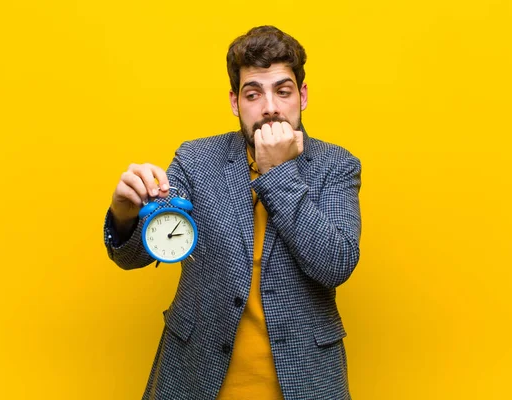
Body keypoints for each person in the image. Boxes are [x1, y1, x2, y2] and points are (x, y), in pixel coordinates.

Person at [104, 25, 362, 400]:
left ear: (302, 96)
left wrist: (278, 172)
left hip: (304, 381)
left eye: (283, 91)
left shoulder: (336, 165)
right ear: (234, 102)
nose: (270, 107)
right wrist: (124, 214)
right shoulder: (195, 160)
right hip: (197, 377)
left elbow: (336, 263)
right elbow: (140, 254)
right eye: (253, 94)